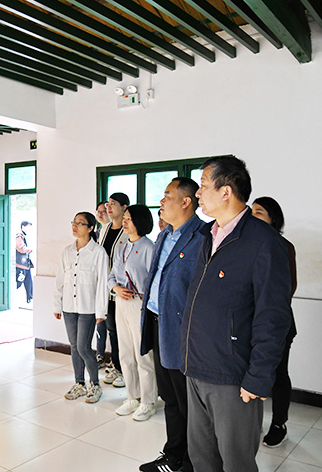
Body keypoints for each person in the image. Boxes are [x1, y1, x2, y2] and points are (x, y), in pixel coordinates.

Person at [181, 156, 292, 472]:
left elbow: (273, 317)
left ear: (226, 191)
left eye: (203, 185)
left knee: (236, 462)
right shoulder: (207, 235)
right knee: (201, 457)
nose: (198, 193)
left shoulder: (264, 242)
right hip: (196, 366)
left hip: (233, 376)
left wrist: (258, 378)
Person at [139, 178, 205, 472]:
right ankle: (173, 455)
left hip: (182, 331)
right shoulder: (165, 234)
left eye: (167, 195)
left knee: (187, 401)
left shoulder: (202, 237)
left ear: (186, 202)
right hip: (157, 323)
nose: (161, 201)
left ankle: (192, 462)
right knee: (169, 397)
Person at [252, 196, 298, 448]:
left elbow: (287, 288)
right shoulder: (246, 244)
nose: (252, 217)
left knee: (278, 374)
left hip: (275, 324)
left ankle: (279, 423)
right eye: (251, 212)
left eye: (259, 212)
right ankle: (251, 422)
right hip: (248, 323)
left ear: (273, 219)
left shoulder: (283, 246)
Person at [107, 204, 157, 421]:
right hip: (121, 302)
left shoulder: (148, 247)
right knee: (125, 352)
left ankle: (148, 401)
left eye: (129, 219)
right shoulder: (122, 246)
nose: (124, 222)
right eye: (125, 218)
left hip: (140, 304)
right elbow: (111, 276)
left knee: (143, 354)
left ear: (140, 222)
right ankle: (132, 397)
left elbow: (154, 279)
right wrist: (116, 289)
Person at [53, 211, 109, 404]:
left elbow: (102, 283)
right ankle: (79, 383)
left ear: (91, 228)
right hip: (69, 307)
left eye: (80, 223)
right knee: (75, 347)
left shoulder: (98, 253)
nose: (75, 226)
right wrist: (57, 304)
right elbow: (59, 279)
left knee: (84, 347)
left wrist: (101, 311)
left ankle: (95, 385)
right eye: (74, 222)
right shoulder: (67, 251)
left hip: (88, 308)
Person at [96, 192, 131, 388]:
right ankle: (116, 366)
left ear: (124, 207)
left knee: (123, 332)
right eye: (108, 204)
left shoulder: (127, 231)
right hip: (106, 289)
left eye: (113, 204)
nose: (109, 208)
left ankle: (126, 370)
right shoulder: (105, 229)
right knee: (112, 331)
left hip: (122, 290)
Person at [94, 201, 110, 368]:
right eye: (98, 211)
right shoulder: (96, 234)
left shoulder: (116, 232)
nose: (100, 214)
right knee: (100, 323)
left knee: (110, 324)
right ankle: (99, 355)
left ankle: (114, 360)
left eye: (104, 211)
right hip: (96, 282)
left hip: (111, 284)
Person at [15, 221, 33, 304]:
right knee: (19, 281)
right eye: (28, 227)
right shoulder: (19, 236)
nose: (29, 229)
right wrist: (29, 250)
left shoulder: (25, 236)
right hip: (21, 264)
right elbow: (20, 248)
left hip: (26, 264)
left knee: (29, 281)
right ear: (23, 226)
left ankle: (30, 298)